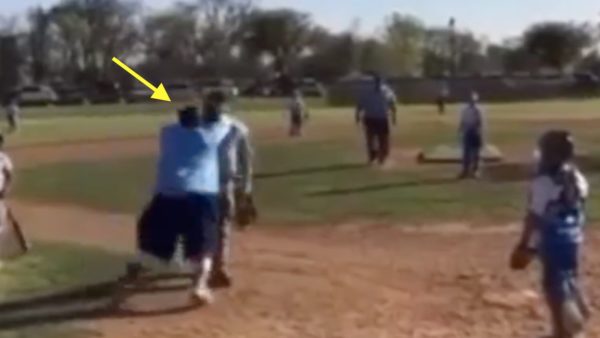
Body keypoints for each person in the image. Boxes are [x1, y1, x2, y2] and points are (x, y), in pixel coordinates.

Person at [125, 96, 232, 305]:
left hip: (167, 195)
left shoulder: (168, 133)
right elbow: (224, 121)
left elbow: (184, 122)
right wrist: (211, 109)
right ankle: (199, 286)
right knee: (204, 248)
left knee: (152, 239)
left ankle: (140, 266)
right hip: (201, 195)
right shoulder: (210, 135)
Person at [511, 130, 590, 338]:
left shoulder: (543, 182)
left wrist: (524, 244)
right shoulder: (577, 177)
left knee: (553, 286)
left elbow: (534, 217)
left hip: (553, 239)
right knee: (568, 276)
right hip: (573, 238)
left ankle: (564, 331)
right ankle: (576, 313)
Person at [205, 93, 256, 288]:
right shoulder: (196, 127)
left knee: (222, 228)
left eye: (216, 104)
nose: (212, 108)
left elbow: (246, 161)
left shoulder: (236, 129)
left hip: (225, 185)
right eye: (210, 104)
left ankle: (220, 268)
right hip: (200, 186)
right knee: (204, 228)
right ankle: (204, 265)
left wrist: (246, 189)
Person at [355, 73, 397, 166]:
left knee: (382, 138)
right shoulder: (370, 91)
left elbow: (392, 104)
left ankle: (381, 156)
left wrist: (394, 116)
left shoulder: (386, 91)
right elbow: (359, 105)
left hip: (380, 117)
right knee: (372, 138)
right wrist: (357, 115)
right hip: (372, 117)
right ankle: (373, 156)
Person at [458, 92, 484, 179]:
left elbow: (479, 122)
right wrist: (461, 129)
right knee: (466, 153)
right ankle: (465, 170)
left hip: (474, 133)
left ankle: (475, 171)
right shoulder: (465, 110)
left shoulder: (477, 110)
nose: (472, 102)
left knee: (475, 153)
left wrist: (478, 132)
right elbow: (462, 121)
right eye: (471, 100)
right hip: (468, 133)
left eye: (473, 100)